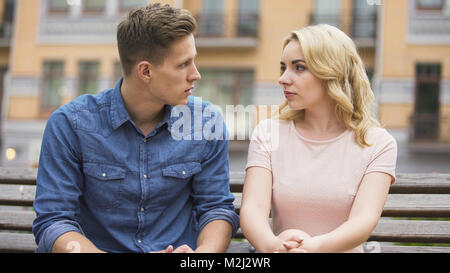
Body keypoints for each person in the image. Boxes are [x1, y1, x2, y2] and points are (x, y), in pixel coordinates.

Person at [32, 3, 239, 253]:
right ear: (146, 71)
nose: (196, 74)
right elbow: (54, 221)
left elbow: (215, 208)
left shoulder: (206, 122)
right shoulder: (70, 125)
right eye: (183, 64)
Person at [240, 24, 397, 253]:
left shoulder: (378, 144)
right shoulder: (267, 133)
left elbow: (363, 220)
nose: (283, 78)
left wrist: (313, 247)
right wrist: (274, 245)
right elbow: (253, 209)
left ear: (332, 72)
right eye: (283, 67)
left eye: (299, 68)